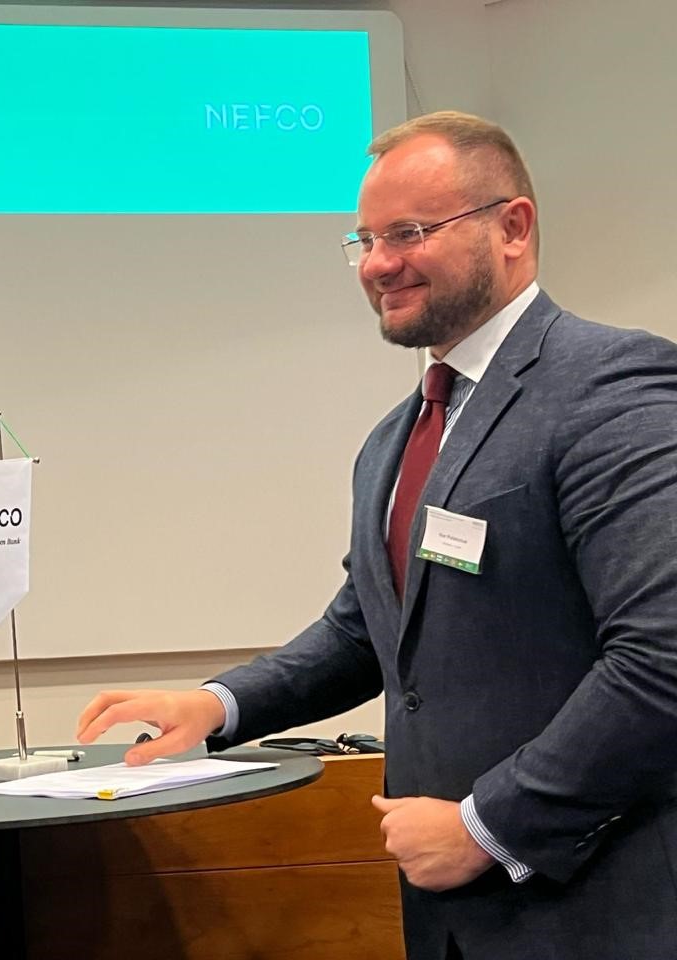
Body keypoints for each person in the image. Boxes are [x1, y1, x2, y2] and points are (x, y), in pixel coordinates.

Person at [77, 111, 677, 960]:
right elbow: (368, 628)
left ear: (513, 227)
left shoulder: (612, 388)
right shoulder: (396, 437)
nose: (377, 263)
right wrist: (217, 705)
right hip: (449, 922)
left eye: (410, 232)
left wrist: (488, 825)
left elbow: (662, 657)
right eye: (364, 239)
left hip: (598, 914)